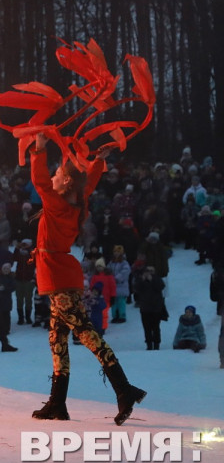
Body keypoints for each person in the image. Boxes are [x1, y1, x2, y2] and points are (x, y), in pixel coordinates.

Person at [29, 135, 146, 425]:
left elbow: (39, 182)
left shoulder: (58, 204)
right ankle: (58, 403)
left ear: (65, 182)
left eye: (58, 174)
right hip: (59, 271)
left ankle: (124, 389)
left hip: (57, 273)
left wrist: (40, 149)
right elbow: (88, 183)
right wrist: (99, 160)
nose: (54, 177)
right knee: (58, 338)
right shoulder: (76, 202)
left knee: (86, 334)